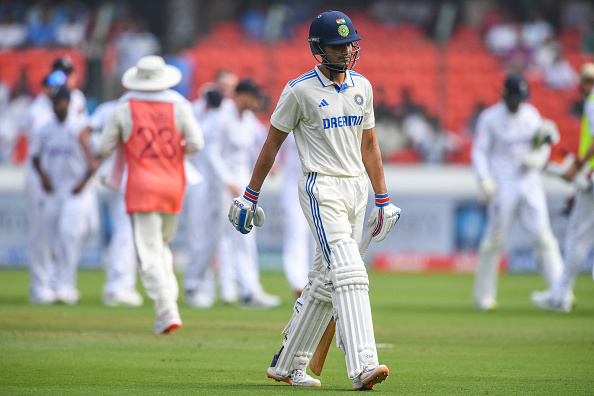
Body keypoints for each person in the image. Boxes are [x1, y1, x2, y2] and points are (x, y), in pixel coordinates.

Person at [228, 10, 401, 390]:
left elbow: (369, 144)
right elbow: (272, 143)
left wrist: (383, 198)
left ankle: (288, 364)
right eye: (337, 47)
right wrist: (249, 196)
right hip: (320, 188)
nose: (345, 52)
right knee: (350, 272)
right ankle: (363, 365)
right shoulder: (299, 90)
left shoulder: (363, 87)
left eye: (348, 45)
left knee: (325, 281)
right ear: (318, 49)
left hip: (356, 188)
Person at [96, 56, 204, 334]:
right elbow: (196, 143)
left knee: (148, 251)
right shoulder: (180, 105)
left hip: (141, 184)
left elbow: (102, 147)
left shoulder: (124, 108)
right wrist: (175, 154)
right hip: (173, 183)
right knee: (163, 245)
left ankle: (166, 307)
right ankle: (168, 302)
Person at [471, 73, 564, 311]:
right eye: (514, 98)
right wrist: (483, 178)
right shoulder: (490, 118)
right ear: (504, 95)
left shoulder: (530, 115)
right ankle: (484, 297)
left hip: (529, 182)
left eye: (521, 98)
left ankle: (559, 292)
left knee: (543, 237)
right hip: (504, 183)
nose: (518, 103)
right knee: (494, 240)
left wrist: (538, 158)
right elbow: (479, 151)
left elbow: (543, 143)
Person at [531, 63, 594, 312]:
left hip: (590, 178)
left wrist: (579, 165)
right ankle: (560, 292)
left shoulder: (591, 101)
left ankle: (561, 294)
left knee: (577, 237)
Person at [213, 80, 281, 308]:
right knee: (226, 237)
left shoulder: (249, 121)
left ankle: (241, 289)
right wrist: (227, 181)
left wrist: (272, 165)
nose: (256, 102)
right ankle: (236, 289)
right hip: (224, 186)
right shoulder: (222, 118)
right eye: (253, 97)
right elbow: (211, 154)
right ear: (242, 96)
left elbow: (261, 143)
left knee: (241, 236)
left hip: (244, 185)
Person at [30, 85, 98, 305]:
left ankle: (66, 286)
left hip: (74, 190)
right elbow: (35, 157)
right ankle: (51, 283)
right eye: (54, 102)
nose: (57, 106)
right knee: (52, 239)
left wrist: (83, 183)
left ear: (68, 103)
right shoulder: (45, 129)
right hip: (53, 190)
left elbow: (93, 161)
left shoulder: (80, 128)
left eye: (60, 102)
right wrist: (43, 178)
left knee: (69, 235)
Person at [90, 98, 143, 307]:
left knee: (119, 232)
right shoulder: (136, 110)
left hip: (107, 176)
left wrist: (99, 158)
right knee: (126, 232)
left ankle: (114, 284)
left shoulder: (106, 108)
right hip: (124, 176)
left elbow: (92, 135)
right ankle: (120, 286)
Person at [25, 70, 68, 304]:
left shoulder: (69, 104)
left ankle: (54, 280)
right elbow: (37, 152)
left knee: (61, 232)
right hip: (39, 176)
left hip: (58, 176)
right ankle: (39, 285)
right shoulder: (37, 111)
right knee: (40, 233)